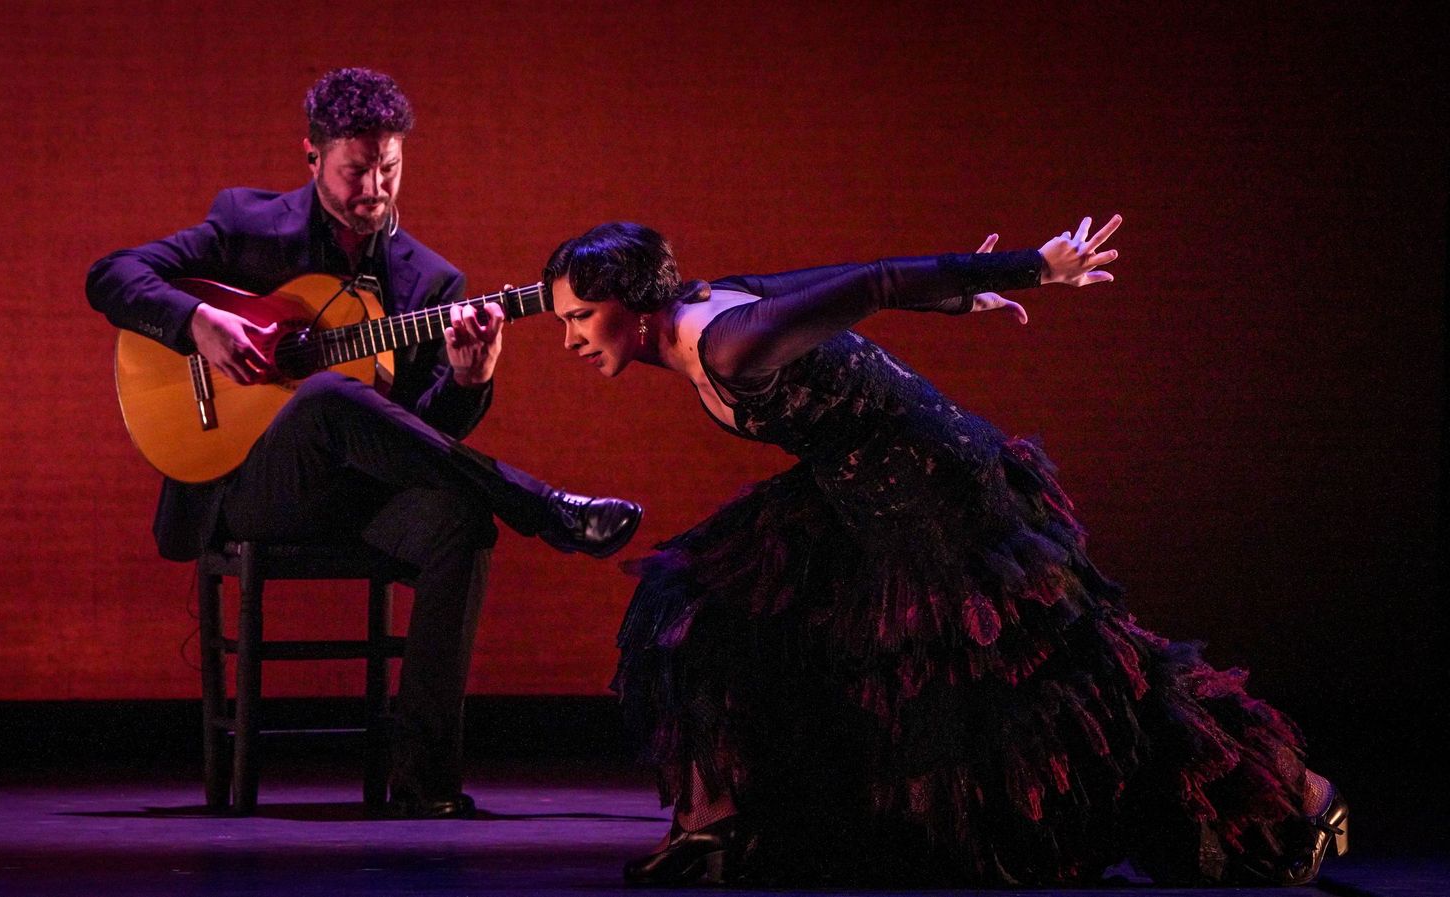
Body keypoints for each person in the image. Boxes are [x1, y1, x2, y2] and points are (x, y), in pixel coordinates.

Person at [541, 218, 1347, 885]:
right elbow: (842, 276)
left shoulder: (726, 342)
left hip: (941, 489)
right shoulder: (709, 305)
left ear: (633, 303)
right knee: (696, 602)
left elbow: (877, 284)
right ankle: (722, 824)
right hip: (851, 482)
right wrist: (959, 300)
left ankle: (1288, 801)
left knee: (1065, 684)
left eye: (581, 316)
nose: (573, 339)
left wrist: (1033, 267)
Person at [87, 68, 642, 819]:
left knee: (459, 522)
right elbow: (110, 274)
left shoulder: (431, 282)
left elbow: (419, 437)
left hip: (357, 499)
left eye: (389, 166)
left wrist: (468, 382)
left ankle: (426, 784)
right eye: (356, 169)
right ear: (312, 158)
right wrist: (196, 322)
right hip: (249, 487)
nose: (374, 187)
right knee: (324, 395)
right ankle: (541, 504)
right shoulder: (247, 226)